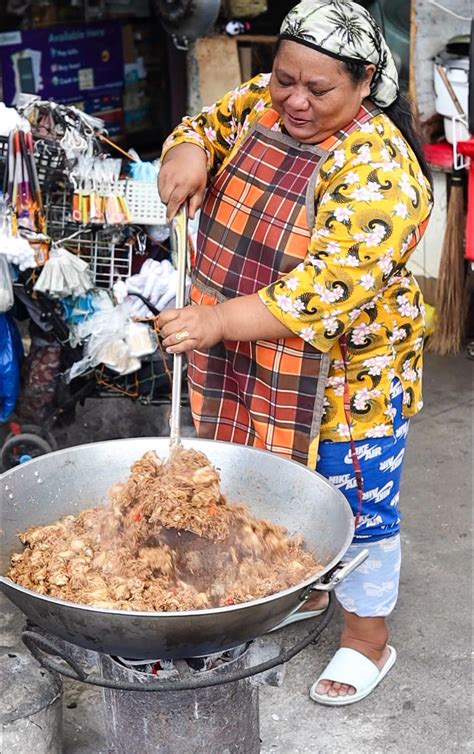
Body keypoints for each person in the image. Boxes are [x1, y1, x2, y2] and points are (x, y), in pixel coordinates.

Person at [157, 0, 433, 706]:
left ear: (365, 81)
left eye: (320, 90)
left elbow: (320, 291)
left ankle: (367, 638)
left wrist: (216, 321)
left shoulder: (381, 171)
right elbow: (208, 126)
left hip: (348, 376)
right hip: (256, 359)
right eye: (286, 81)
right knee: (263, 481)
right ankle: (300, 586)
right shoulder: (265, 102)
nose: (296, 102)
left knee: (355, 504)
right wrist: (188, 149)